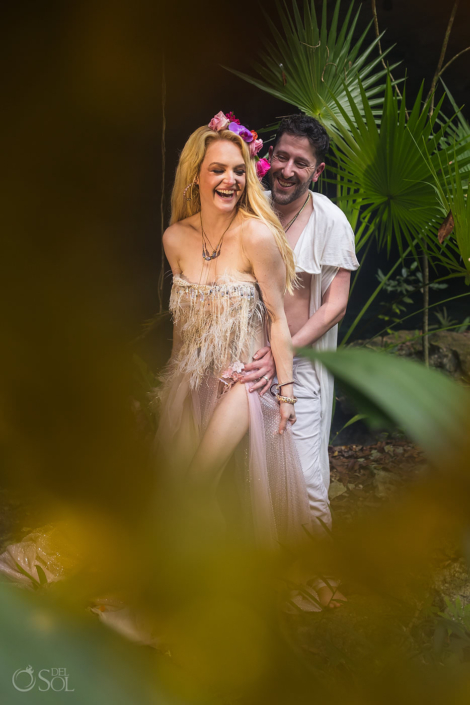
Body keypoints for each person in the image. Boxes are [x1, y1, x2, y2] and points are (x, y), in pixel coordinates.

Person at [154, 111, 342, 608]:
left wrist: (283, 389)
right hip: (194, 377)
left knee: (221, 479)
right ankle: (204, 583)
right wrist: (169, 387)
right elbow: (182, 325)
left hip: (248, 377)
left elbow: (286, 318)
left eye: (238, 170)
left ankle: (298, 579)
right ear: (196, 173)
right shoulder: (176, 238)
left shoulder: (265, 233)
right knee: (183, 487)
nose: (230, 179)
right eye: (218, 169)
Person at [242, 115, 359, 529]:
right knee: (249, 477)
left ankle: (320, 584)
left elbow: (336, 306)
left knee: (308, 484)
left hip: (300, 362)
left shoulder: (330, 220)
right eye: (282, 157)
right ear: (269, 155)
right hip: (246, 360)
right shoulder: (246, 204)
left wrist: (283, 352)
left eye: (301, 163)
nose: (288, 171)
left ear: (317, 171)